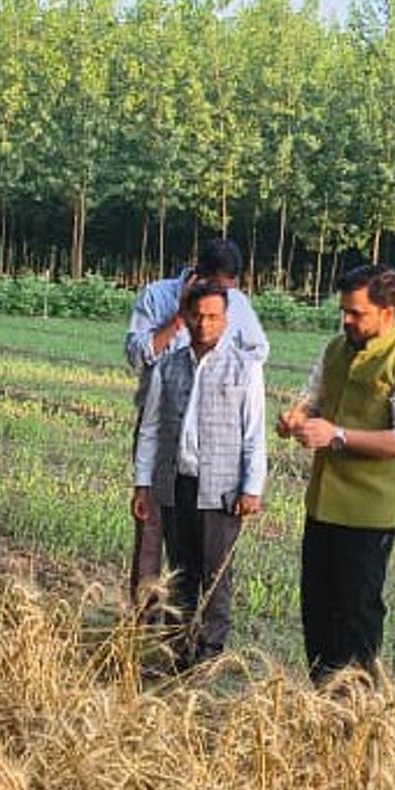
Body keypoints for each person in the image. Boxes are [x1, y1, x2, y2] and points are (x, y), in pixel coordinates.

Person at [276, 264, 395, 686]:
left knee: (356, 615)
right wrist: (297, 417)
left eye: (357, 313)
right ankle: (322, 703)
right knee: (316, 609)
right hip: (321, 505)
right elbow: (315, 398)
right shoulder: (335, 348)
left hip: (369, 515)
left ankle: (359, 718)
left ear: (388, 311)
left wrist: (337, 435)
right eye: (344, 311)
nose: (346, 320)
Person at [124, 238, 268, 603]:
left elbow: (258, 352)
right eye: (216, 288)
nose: (206, 321)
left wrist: (223, 368)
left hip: (216, 428)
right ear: (197, 274)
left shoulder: (236, 304)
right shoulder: (156, 296)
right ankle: (146, 620)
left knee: (209, 553)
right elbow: (138, 357)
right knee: (153, 530)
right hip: (166, 418)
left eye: (227, 294)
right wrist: (179, 318)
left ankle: (201, 640)